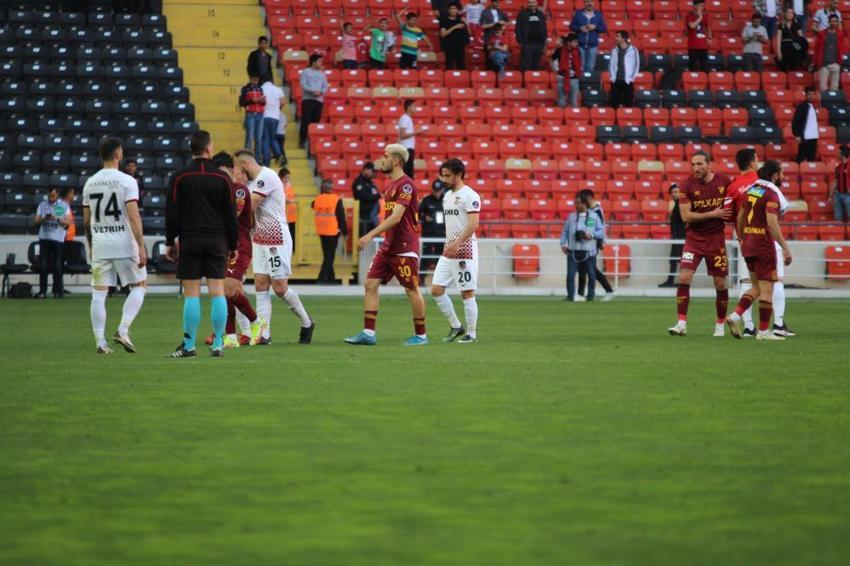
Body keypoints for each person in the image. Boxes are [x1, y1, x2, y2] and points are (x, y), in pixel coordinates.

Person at [345, 143, 427, 346]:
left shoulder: (406, 185)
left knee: (411, 289)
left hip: (404, 247)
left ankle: (421, 335)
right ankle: (368, 333)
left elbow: (396, 218)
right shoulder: (390, 186)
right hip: (389, 246)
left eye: (385, 156)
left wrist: (369, 235)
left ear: (396, 161)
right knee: (370, 283)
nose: (382, 160)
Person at [165, 131, 238, 358]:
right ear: (209, 148)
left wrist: (170, 241)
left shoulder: (179, 177)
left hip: (190, 240)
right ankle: (217, 343)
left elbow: (172, 212)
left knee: (192, 293)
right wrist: (233, 244)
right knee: (217, 291)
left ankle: (189, 345)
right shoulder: (223, 178)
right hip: (217, 240)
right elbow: (230, 215)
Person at [235, 149, 314, 345]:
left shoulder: (266, 177)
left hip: (276, 237)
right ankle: (264, 334)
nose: (236, 171)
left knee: (280, 288)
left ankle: (306, 322)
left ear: (244, 164)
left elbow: (248, 208)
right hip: (260, 238)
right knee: (260, 284)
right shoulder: (251, 183)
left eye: (237, 167)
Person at [82, 140, 147, 354]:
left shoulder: (90, 183)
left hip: (100, 243)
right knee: (139, 286)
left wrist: (91, 245)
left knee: (98, 293)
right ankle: (123, 329)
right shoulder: (127, 181)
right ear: (118, 154)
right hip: (124, 243)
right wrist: (141, 246)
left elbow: (85, 220)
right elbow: (133, 216)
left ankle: (100, 342)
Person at [202, 152, 266, 348]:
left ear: (230, 170)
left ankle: (257, 322)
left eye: (222, 172)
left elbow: (233, 216)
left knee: (228, 289)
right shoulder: (217, 192)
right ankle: (230, 336)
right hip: (221, 247)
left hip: (239, 246)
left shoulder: (239, 191)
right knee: (222, 292)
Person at [667, 150, 733, 337]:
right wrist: (714, 213)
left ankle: (720, 326)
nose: (695, 168)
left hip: (716, 239)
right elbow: (686, 216)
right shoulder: (686, 185)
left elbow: (734, 206)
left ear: (709, 165)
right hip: (694, 239)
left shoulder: (724, 182)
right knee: (684, 278)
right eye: (693, 164)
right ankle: (681, 323)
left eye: (699, 164)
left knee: (720, 284)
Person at [725, 160, 793, 341]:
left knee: (755, 287)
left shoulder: (750, 191)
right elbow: (772, 223)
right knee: (767, 289)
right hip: (764, 246)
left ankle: (734, 316)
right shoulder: (771, 195)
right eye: (782, 173)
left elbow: (739, 218)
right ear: (774, 175)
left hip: (748, 245)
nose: (783, 177)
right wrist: (786, 248)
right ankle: (764, 331)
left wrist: (742, 238)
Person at [430, 158, 481, 343]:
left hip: (464, 249)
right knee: (436, 289)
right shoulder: (446, 195)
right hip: (448, 249)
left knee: (466, 293)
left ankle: (471, 334)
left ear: (459, 174)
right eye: (442, 175)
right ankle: (456, 326)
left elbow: (474, 223)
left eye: (447, 176)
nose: (444, 179)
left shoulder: (470, 195)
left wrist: (458, 243)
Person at [560, 191, 604, 301]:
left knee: (591, 275)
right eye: (575, 203)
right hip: (573, 251)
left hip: (589, 252)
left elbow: (601, 231)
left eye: (578, 203)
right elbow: (565, 231)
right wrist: (563, 243)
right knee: (570, 275)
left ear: (584, 203)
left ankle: (590, 296)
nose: (576, 205)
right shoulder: (571, 216)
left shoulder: (594, 216)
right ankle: (570, 296)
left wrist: (591, 235)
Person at [577, 189, 616, 301]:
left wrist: (599, 241)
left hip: (592, 242)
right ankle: (584, 294)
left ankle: (585, 294)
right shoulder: (592, 210)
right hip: (587, 243)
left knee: (589, 269)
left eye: (584, 200)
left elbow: (599, 227)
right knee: (586, 268)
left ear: (589, 198)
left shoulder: (596, 211)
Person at [34, 187, 71, 299]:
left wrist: (57, 219)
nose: (51, 198)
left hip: (58, 240)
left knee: (58, 266)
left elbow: (68, 222)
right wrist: (43, 219)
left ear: (57, 195)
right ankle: (42, 291)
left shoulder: (64, 206)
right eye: (49, 196)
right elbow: (36, 221)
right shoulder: (42, 205)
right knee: (43, 266)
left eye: (53, 196)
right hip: (44, 239)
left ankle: (58, 291)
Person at [312, 179, 348, 284]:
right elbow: (341, 217)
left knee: (327, 255)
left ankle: (331, 278)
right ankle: (321, 278)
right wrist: (345, 232)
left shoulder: (317, 199)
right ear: (332, 188)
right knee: (330, 256)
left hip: (321, 230)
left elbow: (312, 206)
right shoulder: (337, 200)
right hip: (332, 231)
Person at [298, 53, 328, 149]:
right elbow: (303, 85)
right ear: (313, 62)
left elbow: (325, 86)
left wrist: (321, 92)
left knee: (316, 122)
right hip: (308, 99)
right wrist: (312, 91)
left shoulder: (322, 73)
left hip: (318, 100)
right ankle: (302, 140)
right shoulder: (306, 72)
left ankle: (313, 143)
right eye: (319, 61)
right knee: (306, 121)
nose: (321, 63)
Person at [659, 183, 687, 287]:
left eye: (676, 192)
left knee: (680, 259)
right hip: (677, 237)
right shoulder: (677, 204)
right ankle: (672, 280)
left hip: (681, 237)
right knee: (674, 259)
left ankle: (681, 282)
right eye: (672, 193)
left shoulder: (681, 204)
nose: (674, 194)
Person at [419, 178, 446, 283]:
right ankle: (421, 280)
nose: (436, 193)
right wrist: (424, 217)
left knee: (441, 258)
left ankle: (441, 280)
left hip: (441, 234)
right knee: (426, 257)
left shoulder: (446, 200)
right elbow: (417, 214)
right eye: (435, 190)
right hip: (428, 233)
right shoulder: (426, 200)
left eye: (438, 190)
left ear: (442, 190)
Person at [570, 0, 607, 73]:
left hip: (593, 46)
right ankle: (580, 84)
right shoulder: (578, 13)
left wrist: (595, 27)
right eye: (587, 2)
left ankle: (588, 84)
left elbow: (604, 28)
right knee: (580, 67)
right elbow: (571, 26)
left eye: (591, 2)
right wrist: (579, 28)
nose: (589, 3)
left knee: (590, 67)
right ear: (584, 3)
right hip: (580, 45)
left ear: (594, 3)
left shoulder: (599, 14)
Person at [608, 31, 640, 109]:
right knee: (613, 103)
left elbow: (636, 64)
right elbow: (611, 64)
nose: (616, 38)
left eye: (618, 36)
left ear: (623, 38)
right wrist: (612, 77)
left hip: (627, 81)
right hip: (616, 81)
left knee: (629, 103)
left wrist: (631, 78)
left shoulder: (633, 50)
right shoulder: (614, 50)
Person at [813, 15, 844, 92]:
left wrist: (839, 62)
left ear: (837, 23)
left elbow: (842, 48)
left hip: (835, 64)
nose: (833, 23)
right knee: (822, 88)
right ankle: (823, 104)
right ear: (828, 22)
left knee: (834, 88)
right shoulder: (822, 34)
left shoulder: (840, 34)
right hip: (824, 65)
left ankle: (832, 104)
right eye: (832, 21)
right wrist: (814, 62)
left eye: (835, 21)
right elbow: (817, 49)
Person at [516, 0, 547, 71]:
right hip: (527, 44)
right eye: (530, 2)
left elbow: (544, 28)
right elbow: (518, 28)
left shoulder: (540, 14)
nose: (531, 4)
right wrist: (521, 42)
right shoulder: (522, 14)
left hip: (539, 44)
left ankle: (534, 80)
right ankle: (525, 81)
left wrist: (544, 42)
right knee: (526, 65)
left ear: (536, 3)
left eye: (533, 2)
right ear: (527, 3)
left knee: (536, 65)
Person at [552, 33, 582, 108]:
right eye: (574, 42)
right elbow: (553, 60)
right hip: (562, 78)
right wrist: (557, 70)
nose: (576, 44)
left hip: (574, 79)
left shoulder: (578, 51)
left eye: (577, 42)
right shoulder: (559, 50)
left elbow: (579, 63)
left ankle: (573, 117)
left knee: (573, 100)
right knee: (561, 99)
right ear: (569, 42)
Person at [260, 77, 285, 167]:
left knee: (265, 139)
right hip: (275, 117)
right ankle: (278, 153)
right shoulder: (278, 89)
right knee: (273, 138)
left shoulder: (261, 88)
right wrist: (277, 110)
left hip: (264, 116)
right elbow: (283, 102)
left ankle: (266, 162)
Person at [352, 162, 381, 236]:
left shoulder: (371, 183)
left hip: (372, 216)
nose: (373, 174)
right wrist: (376, 196)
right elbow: (361, 196)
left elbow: (376, 194)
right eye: (372, 172)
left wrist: (377, 195)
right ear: (366, 170)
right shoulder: (358, 182)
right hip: (364, 216)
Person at [792, 86, 819, 163]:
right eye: (809, 94)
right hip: (805, 136)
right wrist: (797, 135)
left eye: (813, 94)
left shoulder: (813, 106)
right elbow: (795, 121)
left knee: (812, 158)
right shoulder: (801, 106)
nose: (811, 96)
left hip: (814, 136)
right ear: (806, 95)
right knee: (801, 157)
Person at [239, 75, 266, 155]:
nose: (255, 82)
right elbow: (241, 102)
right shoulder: (245, 89)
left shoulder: (260, 89)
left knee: (258, 138)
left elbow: (263, 103)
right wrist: (253, 100)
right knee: (250, 137)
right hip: (250, 114)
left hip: (260, 114)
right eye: (254, 80)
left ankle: (257, 159)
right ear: (250, 79)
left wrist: (262, 101)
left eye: (257, 80)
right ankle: (247, 157)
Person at [776, 7, 807, 71]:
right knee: (784, 66)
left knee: (793, 65)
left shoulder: (797, 24)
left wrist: (800, 50)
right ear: (785, 14)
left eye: (791, 12)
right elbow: (778, 39)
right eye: (788, 12)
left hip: (794, 45)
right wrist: (779, 52)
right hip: (784, 45)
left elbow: (801, 37)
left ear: (793, 15)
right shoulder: (781, 25)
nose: (789, 14)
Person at [440, 4, 470, 70]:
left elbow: (469, 33)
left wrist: (466, 23)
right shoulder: (444, 20)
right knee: (449, 66)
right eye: (451, 8)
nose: (453, 10)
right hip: (449, 47)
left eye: (454, 8)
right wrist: (454, 27)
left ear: (457, 10)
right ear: (448, 10)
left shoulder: (461, 20)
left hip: (460, 46)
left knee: (461, 66)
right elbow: (443, 34)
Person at [687, 0, 712, 72]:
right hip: (693, 46)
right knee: (694, 67)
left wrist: (710, 38)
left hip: (703, 46)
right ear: (695, 6)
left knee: (705, 68)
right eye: (700, 5)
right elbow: (692, 26)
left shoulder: (705, 16)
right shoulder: (689, 16)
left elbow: (708, 27)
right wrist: (700, 17)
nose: (702, 7)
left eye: (703, 6)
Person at [397, 99, 420, 178]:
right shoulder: (404, 118)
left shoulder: (408, 118)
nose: (415, 108)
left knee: (409, 175)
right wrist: (417, 132)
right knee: (406, 175)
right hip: (406, 149)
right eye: (414, 106)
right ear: (408, 107)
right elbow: (402, 135)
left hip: (408, 149)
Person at [830, 144, 850, 222]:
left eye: (839, 153)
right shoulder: (838, 167)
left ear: (843, 154)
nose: (837, 154)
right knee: (838, 218)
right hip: (838, 195)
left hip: (848, 195)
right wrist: (831, 196)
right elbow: (835, 182)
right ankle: (838, 233)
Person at [279, 167, 297, 250]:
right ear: (281, 177)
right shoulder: (278, 186)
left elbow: (293, 197)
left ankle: (292, 250)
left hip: (292, 213)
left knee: (292, 233)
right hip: (283, 215)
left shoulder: (289, 185)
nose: (287, 179)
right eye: (286, 177)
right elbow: (283, 198)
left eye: (288, 177)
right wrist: (289, 200)